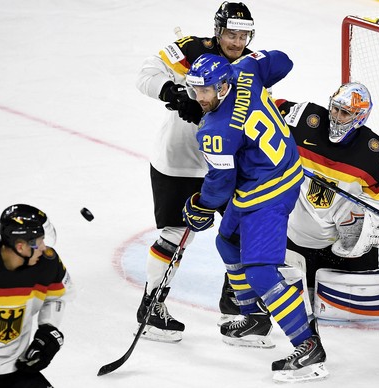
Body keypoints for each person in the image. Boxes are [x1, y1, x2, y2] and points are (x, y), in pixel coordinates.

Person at [181, 52, 329, 382]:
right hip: (279, 171)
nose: (200, 98)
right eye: (196, 91)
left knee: (261, 273)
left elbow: (220, 185)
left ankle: (308, 348)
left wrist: (200, 205)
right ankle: (256, 317)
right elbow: (284, 61)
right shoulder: (244, 70)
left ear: (222, 86)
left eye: (205, 91)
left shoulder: (217, 131)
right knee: (227, 242)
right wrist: (254, 76)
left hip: (269, 192)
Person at [134, 1, 254, 342]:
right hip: (179, 161)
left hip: (225, 164)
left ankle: (237, 303)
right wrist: (174, 93)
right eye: (231, 33)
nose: (237, 41)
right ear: (218, 30)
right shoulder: (191, 49)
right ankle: (152, 307)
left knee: (242, 230)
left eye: (244, 34)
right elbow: (146, 75)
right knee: (174, 234)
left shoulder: (250, 64)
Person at [277, 82, 379, 292]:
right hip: (293, 237)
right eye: (335, 108)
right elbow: (263, 109)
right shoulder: (302, 118)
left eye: (345, 113)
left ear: (360, 117)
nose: (336, 116)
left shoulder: (375, 154)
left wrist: (367, 223)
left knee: (359, 300)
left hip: (340, 243)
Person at [0, 204, 74, 388]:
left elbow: (57, 296)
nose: (43, 248)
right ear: (20, 246)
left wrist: (48, 329)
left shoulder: (47, 264)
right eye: (38, 242)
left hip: (18, 369)